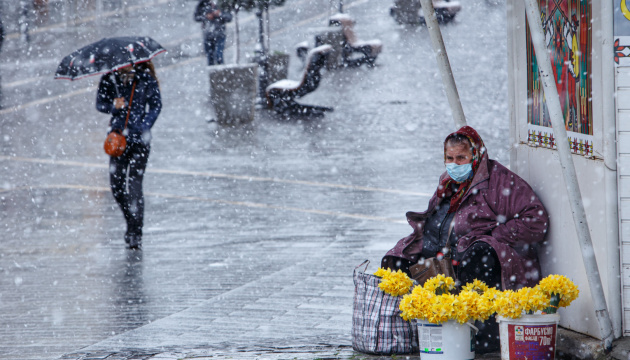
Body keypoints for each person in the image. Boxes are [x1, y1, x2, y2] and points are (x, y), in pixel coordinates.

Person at [381, 126, 549, 353]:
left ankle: (481, 337)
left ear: (476, 155)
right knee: (399, 261)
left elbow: (536, 221)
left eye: (461, 157)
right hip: (448, 255)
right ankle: (419, 333)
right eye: (449, 158)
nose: (454, 164)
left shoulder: (499, 181)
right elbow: (437, 221)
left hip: (486, 257)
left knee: (479, 256)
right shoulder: (449, 182)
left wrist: (493, 237)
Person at [96, 61, 162, 249]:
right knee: (116, 186)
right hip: (118, 141)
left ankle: (135, 233)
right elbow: (100, 104)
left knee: (134, 184)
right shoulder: (109, 79)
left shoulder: (145, 79)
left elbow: (156, 106)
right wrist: (113, 106)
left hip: (139, 141)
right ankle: (131, 222)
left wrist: (145, 125)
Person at [194, 0, 233, 66]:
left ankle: (221, 72)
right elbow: (196, 17)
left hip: (220, 34)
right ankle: (214, 74)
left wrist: (220, 14)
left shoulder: (222, 3)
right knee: (210, 57)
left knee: (219, 56)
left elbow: (229, 17)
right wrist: (206, 16)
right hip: (208, 35)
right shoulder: (203, 3)